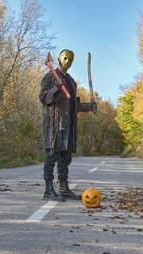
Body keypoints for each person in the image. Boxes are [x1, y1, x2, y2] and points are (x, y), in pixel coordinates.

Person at [39, 49, 96, 201]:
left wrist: (89, 106)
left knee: (65, 159)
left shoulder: (71, 82)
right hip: (54, 124)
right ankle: (49, 190)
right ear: (59, 58)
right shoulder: (50, 77)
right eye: (65, 57)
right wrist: (56, 87)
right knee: (52, 157)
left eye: (71, 58)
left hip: (69, 125)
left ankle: (63, 189)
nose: (67, 60)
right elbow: (44, 98)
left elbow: (73, 107)